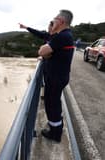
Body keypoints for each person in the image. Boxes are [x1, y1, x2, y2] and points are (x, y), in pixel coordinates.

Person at [38, 9, 74, 142]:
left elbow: (42, 51)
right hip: (57, 77)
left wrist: (45, 52)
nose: (53, 20)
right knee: (54, 103)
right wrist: (46, 54)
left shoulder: (63, 36)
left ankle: (55, 133)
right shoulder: (64, 35)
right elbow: (47, 54)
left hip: (56, 78)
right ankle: (56, 127)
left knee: (52, 104)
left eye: (55, 19)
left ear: (62, 21)